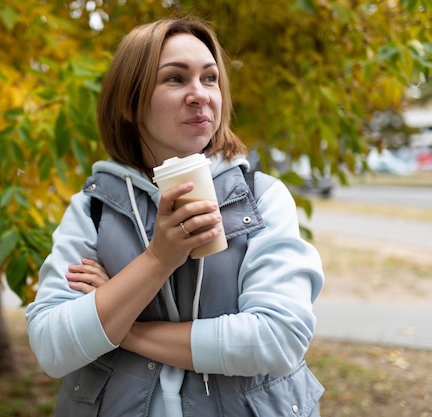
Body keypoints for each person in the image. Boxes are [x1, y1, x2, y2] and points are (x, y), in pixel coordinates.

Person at [25, 16, 325, 417]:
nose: (200, 95)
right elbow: (52, 347)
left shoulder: (260, 198)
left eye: (210, 78)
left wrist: (122, 325)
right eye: (175, 79)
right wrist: (158, 259)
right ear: (130, 102)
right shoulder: (93, 210)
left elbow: (278, 338)